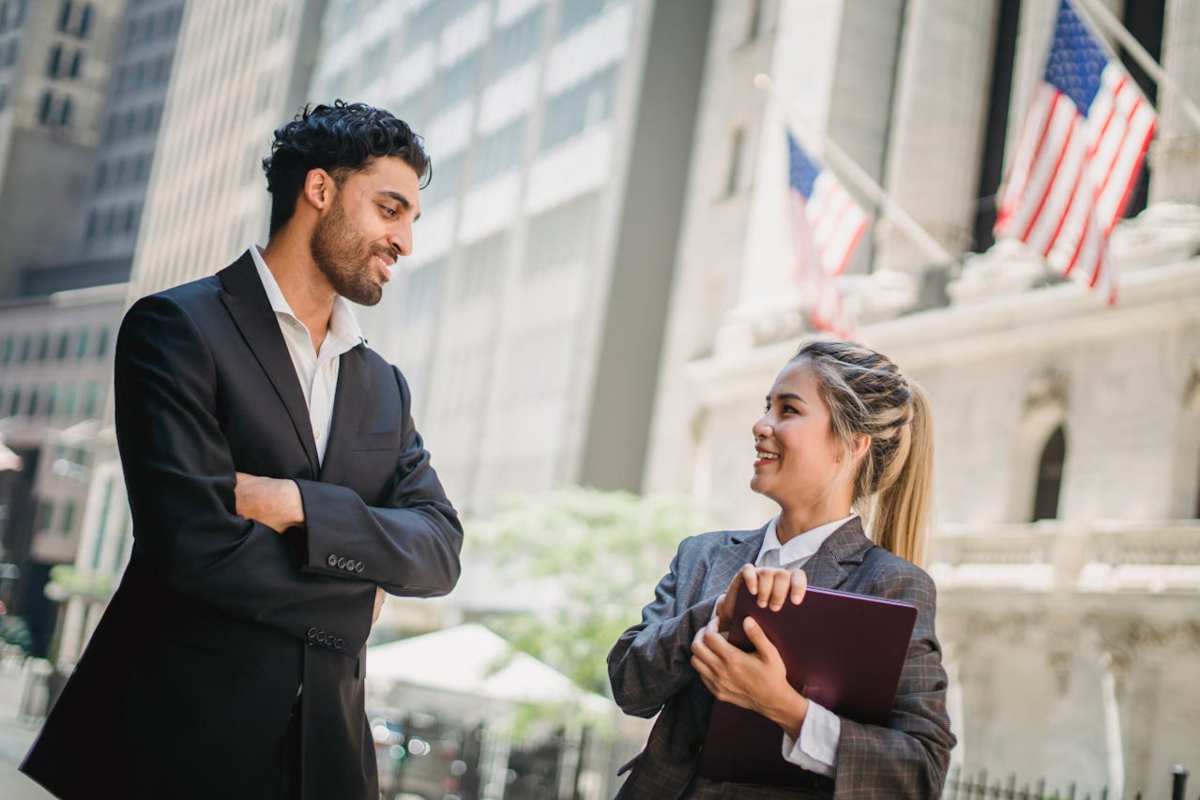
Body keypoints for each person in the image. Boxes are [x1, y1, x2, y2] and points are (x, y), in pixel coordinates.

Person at [21, 102, 463, 800]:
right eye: (390, 209)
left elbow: (439, 551)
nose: (404, 241)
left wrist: (295, 505)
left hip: (326, 765)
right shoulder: (176, 329)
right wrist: (358, 599)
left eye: (410, 218)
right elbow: (194, 549)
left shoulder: (382, 386)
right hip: (171, 750)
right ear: (319, 190)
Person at [608, 339, 956, 798]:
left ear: (852, 444)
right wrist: (715, 615)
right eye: (766, 407)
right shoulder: (702, 556)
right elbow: (629, 687)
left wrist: (787, 709)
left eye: (787, 410)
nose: (761, 425)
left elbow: (920, 774)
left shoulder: (891, 586)